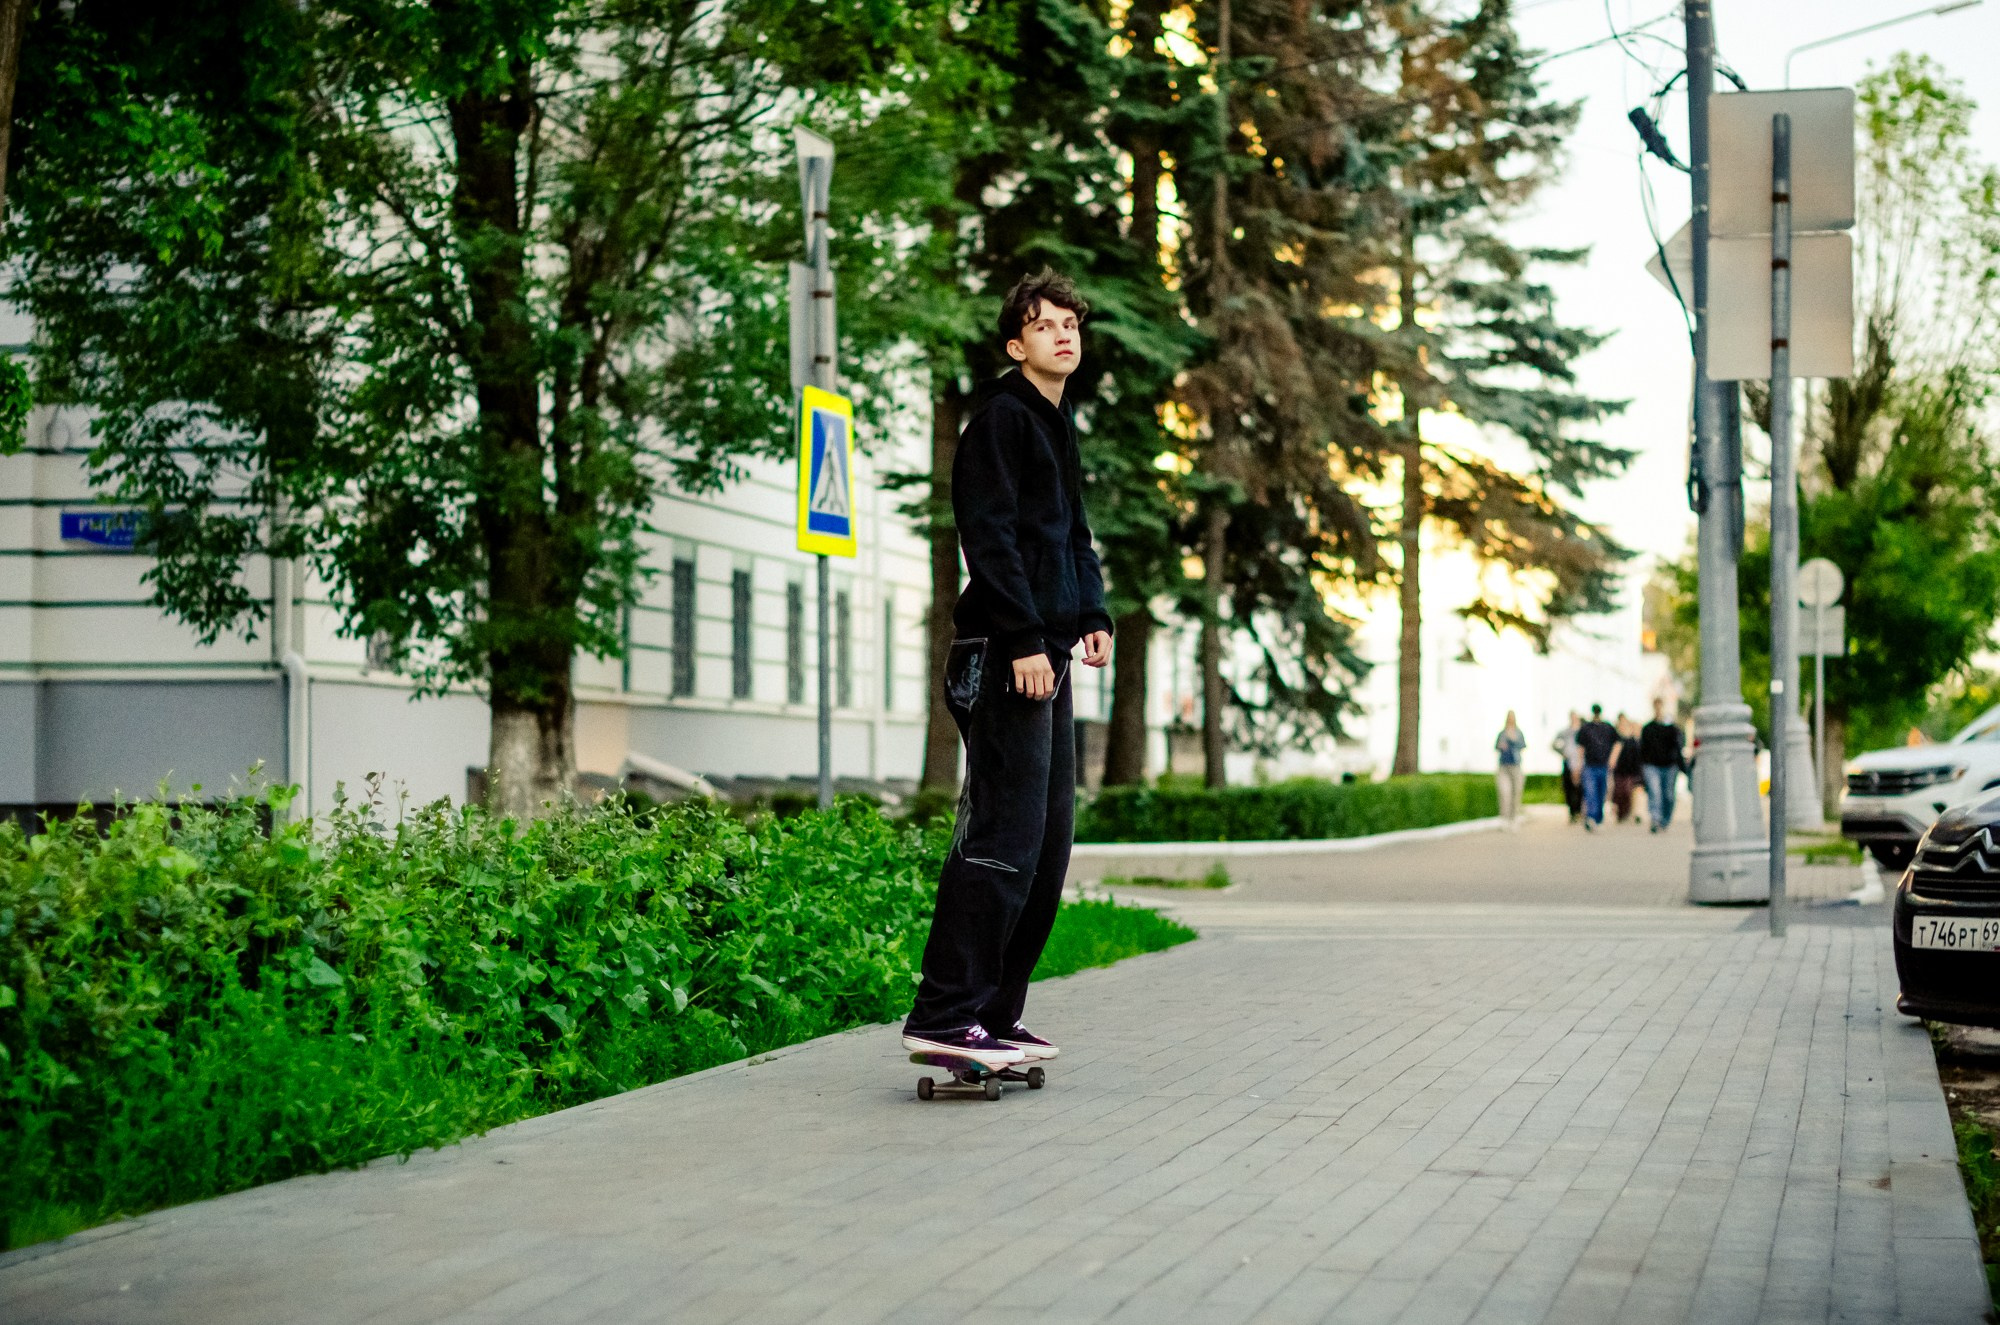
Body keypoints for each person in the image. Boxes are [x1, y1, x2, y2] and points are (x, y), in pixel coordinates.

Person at [901, 270, 1114, 1072]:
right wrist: (1026, 638)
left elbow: (1073, 538)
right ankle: (944, 1011)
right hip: (1000, 654)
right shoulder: (999, 419)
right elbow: (986, 539)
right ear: (1015, 344)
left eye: (1071, 323)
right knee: (1001, 835)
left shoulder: (1057, 425)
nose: (1064, 334)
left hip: (1044, 654)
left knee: (1047, 842)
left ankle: (993, 1012)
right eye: (1045, 324)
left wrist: (1090, 616)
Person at [1639, 698, 1688, 832]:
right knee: (1655, 792)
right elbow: (1642, 749)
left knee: (1668, 795)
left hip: (1670, 766)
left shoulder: (1672, 728)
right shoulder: (1648, 728)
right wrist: (1642, 766)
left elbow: (1678, 747)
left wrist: (1681, 766)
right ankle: (1655, 819)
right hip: (1652, 765)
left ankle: (1665, 819)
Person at [1575, 704, 1619, 831]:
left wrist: (1612, 759)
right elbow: (1581, 748)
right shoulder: (1586, 728)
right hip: (1590, 765)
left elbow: (1617, 742)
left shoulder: (1608, 727)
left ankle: (1598, 818)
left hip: (1603, 765)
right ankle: (1591, 817)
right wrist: (1579, 765)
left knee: (1601, 792)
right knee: (1590, 792)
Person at [1494, 711, 1528, 830]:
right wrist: (1501, 745)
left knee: (1516, 793)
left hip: (1516, 766)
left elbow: (1523, 746)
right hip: (1504, 766)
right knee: (1504, 793)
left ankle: (1514, 819)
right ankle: (1505, 819)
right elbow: (1496, 746)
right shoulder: (1502, 733)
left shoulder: (1518, 733)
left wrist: (1514, 740)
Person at [1611, 713, 1643, 824]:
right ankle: (1621, 812)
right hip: (1620, 770)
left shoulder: (1633, 741)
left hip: (1631, 770)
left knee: (1628, 791)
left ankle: (1627, 812)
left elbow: (1638, 756)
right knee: (1619, 792)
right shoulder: (1618, 739)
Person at [1553, 711, 1584, 824]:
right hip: (1568, 762)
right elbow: (1553, 744)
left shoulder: (1583, 731)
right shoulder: (1565, 732)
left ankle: (1579, 811)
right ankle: (1572, 812)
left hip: (1581, 763)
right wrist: (1562, 752)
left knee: (1580, 788)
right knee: (1569, 788)